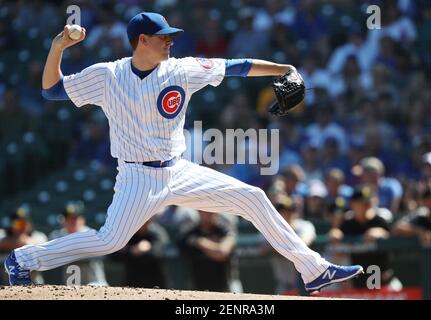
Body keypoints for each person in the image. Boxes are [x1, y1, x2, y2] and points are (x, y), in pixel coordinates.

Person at [4, 12, 362, 292]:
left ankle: (314, 269)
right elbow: (52, 91)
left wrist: (285, 69)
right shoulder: (107, 76)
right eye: (164, 37)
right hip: (137, 177)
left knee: (253, 197)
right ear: (142, 40)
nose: (171, 42)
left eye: (172, 37)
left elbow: (237, 66)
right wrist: (58, 47)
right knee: (109, 240)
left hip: (179, 169)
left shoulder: (183, 70)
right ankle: (23, 259)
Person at [328, 186, 400, 289]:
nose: (366, 205)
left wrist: (383, 233)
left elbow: (396, 240)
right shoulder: (348, 223)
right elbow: (336, 235)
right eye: (362, 202)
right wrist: (335, 231)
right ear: (353, 204)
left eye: (368, 202)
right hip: (357, 284)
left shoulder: (380, 221)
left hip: (384, 282)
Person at [178, 210, 240, 292]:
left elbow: (222, 252)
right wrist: (214, 245)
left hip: (225, 285)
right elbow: (182, 246)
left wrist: (200, 242)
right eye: (205, 211)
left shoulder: (224, 229)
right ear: (199, 212)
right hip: (198, 286)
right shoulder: (190, 231)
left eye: (211, 211)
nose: (208, 214)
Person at [48, 201, 108, 286]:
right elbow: (50, 249)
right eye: (69, 218)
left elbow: (103, 253)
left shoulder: (89, 234)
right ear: (63, 221)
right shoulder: (59, 235)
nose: (73, 221)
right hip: (71, 286)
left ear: (82, 220)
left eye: (75, 218)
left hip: (95, 284)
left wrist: (67, 250)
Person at [111, 217, 169, 289]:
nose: (142, 224)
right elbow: (113, 255)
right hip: (132, 280)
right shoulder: (128, 234)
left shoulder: (156, 232)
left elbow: (157, 254)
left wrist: (137, 252)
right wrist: (132, 250)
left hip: (154, 280)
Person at [0, 208, 47, 284]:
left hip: (34, 284)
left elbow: (41, 244)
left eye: (24, 224)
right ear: (11, 225)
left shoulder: (38, 235)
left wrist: (20, 241)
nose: (22, 227)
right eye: (18, 224)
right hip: (6, 285)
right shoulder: (3, 235)